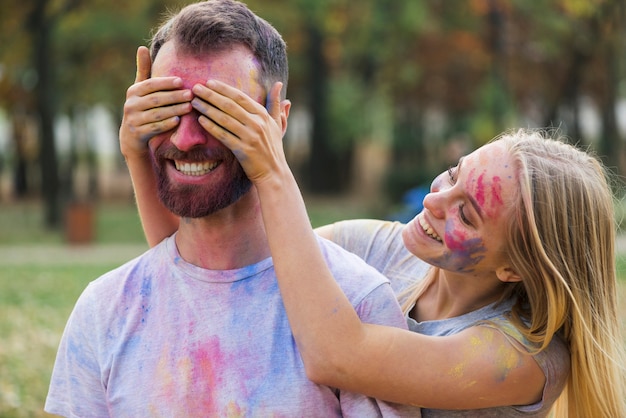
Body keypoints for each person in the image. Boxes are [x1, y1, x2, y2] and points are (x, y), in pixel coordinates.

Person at [121, 73, 626, 417]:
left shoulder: (523, 359)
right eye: (452, 174)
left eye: (467, 213)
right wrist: (139, 154)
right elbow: (214, 278)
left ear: (517, 267)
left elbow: (338, 357)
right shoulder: (377, 248)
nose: (434, 201)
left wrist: (273, 171)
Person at [44, 1, 420, 416]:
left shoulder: (358, 305)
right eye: (166, 108)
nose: (186, 138)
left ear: (278, 119)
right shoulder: (104, 310)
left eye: (218, 112)